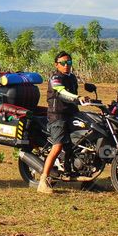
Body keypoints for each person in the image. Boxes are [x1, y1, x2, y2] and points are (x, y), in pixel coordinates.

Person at [37, 51, 83, 194]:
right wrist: (77, 98)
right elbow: (62, 92)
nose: (66, 65)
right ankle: (43, 181)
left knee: (83, 142)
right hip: (58, 116)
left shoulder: (72, 77)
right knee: (58, 146)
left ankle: (87, 180)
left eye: (69, 62)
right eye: (63, 63)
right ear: (56, 65)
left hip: (73, 114)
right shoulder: (55, 78)